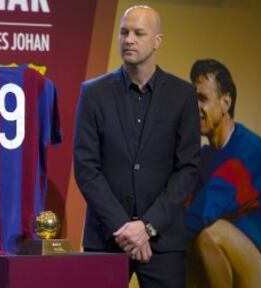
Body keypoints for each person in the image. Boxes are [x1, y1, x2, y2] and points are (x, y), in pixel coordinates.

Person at [73, 5, 200, 288]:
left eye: (138, 33)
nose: (129, 39)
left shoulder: (183, 95)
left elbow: (188, 169)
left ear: (157, 41)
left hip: (163, 243)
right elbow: (86, 167)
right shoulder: (93, 93)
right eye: (123, 32)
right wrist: (123, 227)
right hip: (106, 237)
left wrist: (148, 226)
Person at [185, 59, 261, 288]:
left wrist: (150, 241)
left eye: (202, 98)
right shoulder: (205, 156)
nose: (194, 107)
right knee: (188, 248)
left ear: (226, 102)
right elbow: (183, 207)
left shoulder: (247, 150)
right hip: (231, 263)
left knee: (209, 236)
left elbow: (203, 211)